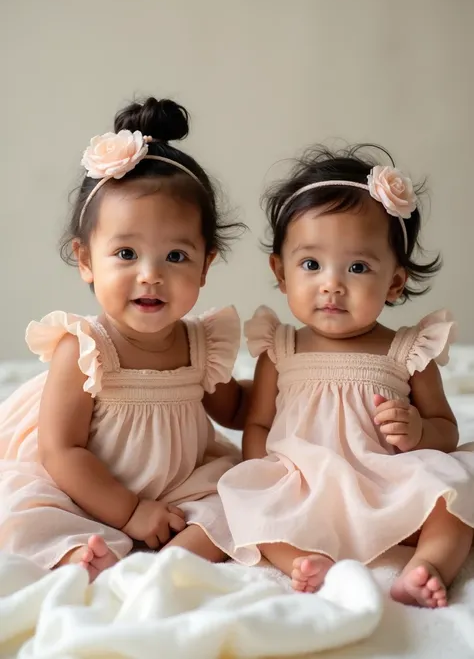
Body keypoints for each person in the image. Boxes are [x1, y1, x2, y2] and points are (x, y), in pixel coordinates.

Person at [213, 144, 474, 608]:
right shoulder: (281, 348)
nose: (332, 283)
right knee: (241, 498)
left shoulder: (409, 351)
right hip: (303, 483)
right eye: (311, 264)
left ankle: (427, 565)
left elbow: (447, 430)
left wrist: (419, 433)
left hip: (386, 478)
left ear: (395, 282)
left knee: (458, 482)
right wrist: (263, 469)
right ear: (281, 272)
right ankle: (299, 559)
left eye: (357, 267)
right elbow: (257, 422)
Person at [0, 97, 247, 581]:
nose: (150, 275)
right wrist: (130, 511)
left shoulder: (201, 345)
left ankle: (184, 553)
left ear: (206, 264)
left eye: (176, 256)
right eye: (127, 253)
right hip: (84, 485)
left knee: (242, 492)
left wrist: (294, 386)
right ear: (86, 260)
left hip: (177, 486)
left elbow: (237, 410)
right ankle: (81, 549)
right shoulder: (85, 348)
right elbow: (62, 451)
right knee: (26, 504)